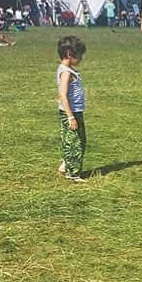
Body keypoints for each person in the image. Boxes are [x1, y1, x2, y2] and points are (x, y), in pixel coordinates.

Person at [56, 36, 88, 182]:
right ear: (69, 54)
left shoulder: (67, 70)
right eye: (79, 55)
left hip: (72, 111)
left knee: (69, 139)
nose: (81, 58)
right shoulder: (67, 72)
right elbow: (63, 93)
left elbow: (62, 93)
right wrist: (70, 117)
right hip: (72, 113)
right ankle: (73, 173)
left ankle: (65, 164)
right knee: (77, 142)